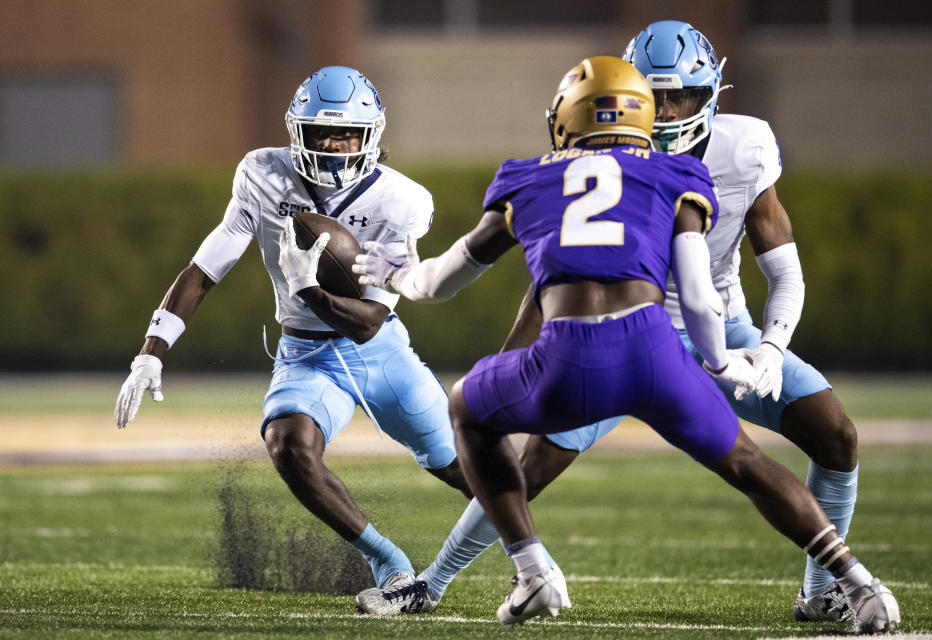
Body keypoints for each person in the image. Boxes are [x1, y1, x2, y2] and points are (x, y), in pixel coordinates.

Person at [356, 20, 877, 628]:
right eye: (660, 97)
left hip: (706, 328)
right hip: (654, 331)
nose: (674, 112)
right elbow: (561, 270)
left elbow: (783, 270)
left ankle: (822, 593)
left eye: (686, 96)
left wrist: (768, 346)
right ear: (632, 100)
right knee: (534, 467)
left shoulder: (739, 148)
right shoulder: (628, 160)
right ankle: (434, 582)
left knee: (835, 434)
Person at [113, 66, 471, 594]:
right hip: (304, 354)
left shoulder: (402, 201)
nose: (331, 145)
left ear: (371, 136)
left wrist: (308, 290)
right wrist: (151, 352)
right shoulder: (263, 174)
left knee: (464, 468)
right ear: (294, 130)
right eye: (319, 132)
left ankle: (530, 557)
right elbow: (205, 268)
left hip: (380, 352)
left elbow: (370, 321)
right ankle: (387, 562)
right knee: (289, 445)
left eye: (345, 133)